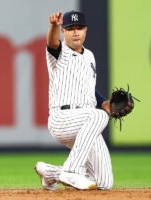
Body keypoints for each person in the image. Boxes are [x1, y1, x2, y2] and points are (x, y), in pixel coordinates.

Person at [35, 10, 113, 190]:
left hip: (85, 123)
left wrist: (103, 103)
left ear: (86, 30)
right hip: (63, 119)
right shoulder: (59, 52)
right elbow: (51, 43)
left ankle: (51, 173)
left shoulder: (90, 56)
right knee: (100, 117)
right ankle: (72, 170)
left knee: (104, 183)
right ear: (64, 31)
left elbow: (88, 88)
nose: (75, 32)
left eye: (79, 28)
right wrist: (53, 26)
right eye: (70, 28)